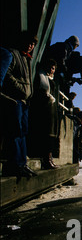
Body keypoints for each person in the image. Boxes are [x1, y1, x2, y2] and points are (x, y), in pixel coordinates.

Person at [0, 32, 38, 178]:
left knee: (23, 132)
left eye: (33, 44)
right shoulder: (13, 54)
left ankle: (22, 164)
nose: (31, 46)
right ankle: (14, 165)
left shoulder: (27, 59)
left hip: (24, 101)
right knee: (15, 131)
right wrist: (20, 89)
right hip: (15, 99)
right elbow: (7, 74)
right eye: (29, 43)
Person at [29, 58, 59, 169]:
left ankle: (50, 158)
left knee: (52, 135)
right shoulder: (40, 76)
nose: (51, 70)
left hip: (51, 108)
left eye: (53, 68)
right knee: (46, 134)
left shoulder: (52, 79)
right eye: (50, 67)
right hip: (44, 108)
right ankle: (46, 159)